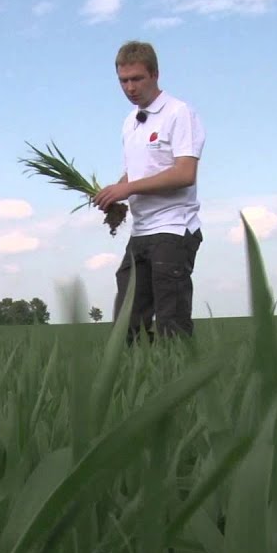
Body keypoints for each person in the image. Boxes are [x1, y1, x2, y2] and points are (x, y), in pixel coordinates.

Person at [93, 40, 205, 344]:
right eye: (123, 81)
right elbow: (137, 172)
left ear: (155, 74)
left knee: (172, 325)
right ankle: (138, 388)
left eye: (136, 79)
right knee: (126, 327)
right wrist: (114, 192)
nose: (129, 87)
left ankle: (183, 384)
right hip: (140, 232)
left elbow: (185, 173)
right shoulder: (130, 122)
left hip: (173, 229)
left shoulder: (179, 113)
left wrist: (127, 188)